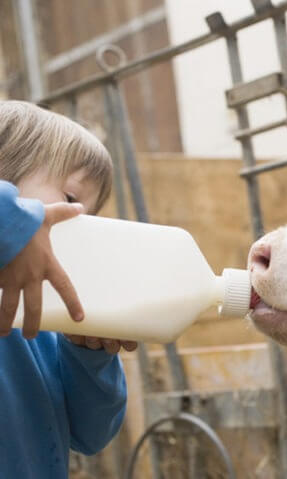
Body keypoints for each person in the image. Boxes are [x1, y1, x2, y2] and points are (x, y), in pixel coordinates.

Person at [0, 101, 136, 477]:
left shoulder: (49, 312)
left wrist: (88, 357)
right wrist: (14, 224)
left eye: (89, 214)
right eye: (72, 199)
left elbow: (90, 436)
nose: (81, 224)